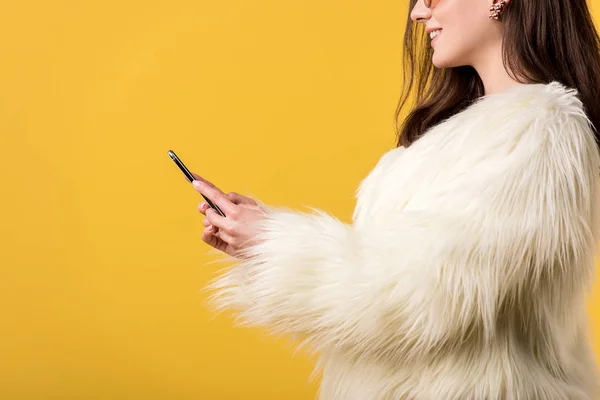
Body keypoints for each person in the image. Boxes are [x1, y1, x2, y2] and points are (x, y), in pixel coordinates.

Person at [191, 0, 600, 398]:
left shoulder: (541, 129)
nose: (419, 12)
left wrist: (271, 242)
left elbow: (426, 291)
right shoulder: (463, 135)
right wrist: (257, 242)